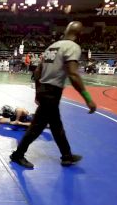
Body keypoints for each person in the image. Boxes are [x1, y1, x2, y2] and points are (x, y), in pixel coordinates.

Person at [9, 21, 97, 169]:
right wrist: (88, 99)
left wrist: (38, 92)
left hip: (44, 90)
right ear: (80, 34)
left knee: (56, 126)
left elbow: (37, 72)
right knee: (37, 127)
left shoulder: (53, 47)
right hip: (52, 92)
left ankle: (67, 156)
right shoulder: (73, 47)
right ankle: (17, 155)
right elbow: (73, 74)